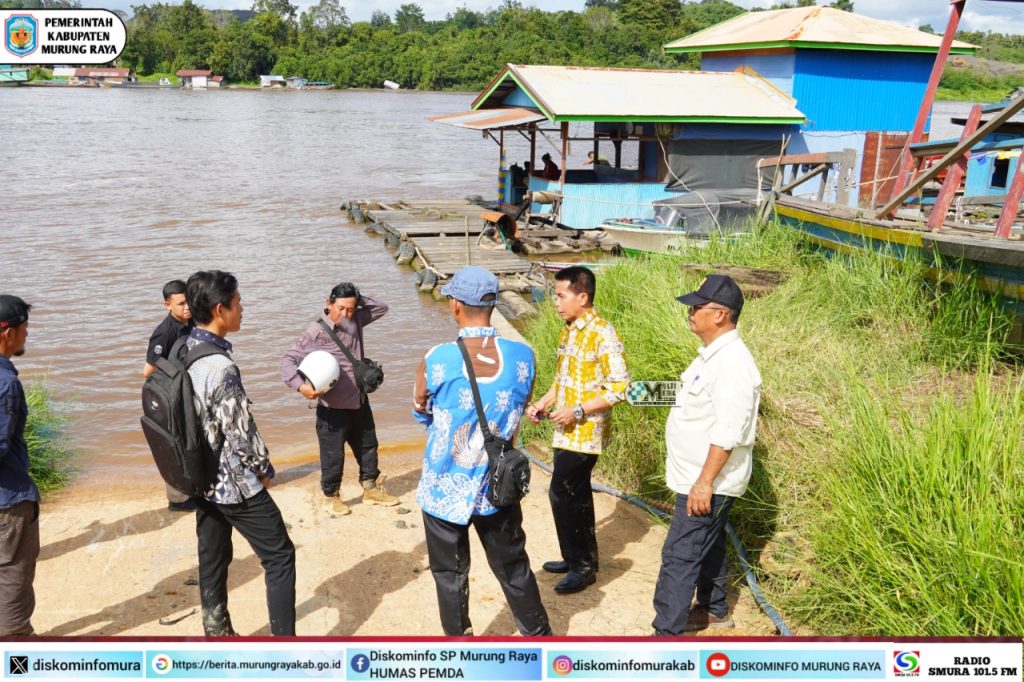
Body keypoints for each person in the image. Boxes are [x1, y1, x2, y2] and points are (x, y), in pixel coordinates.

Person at [413, 266, 551, 637]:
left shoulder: (437, 358)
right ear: (492, 305)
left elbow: (421, 411)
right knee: (513, 565)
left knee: (449, 574)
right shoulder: (524, 356)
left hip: (445, 486)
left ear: (456, 305)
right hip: (499, 484)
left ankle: (461, 645)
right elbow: (518, 412)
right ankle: (538, 635)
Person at [185, 270, 296, 636]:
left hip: (198, 476)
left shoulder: (184, 348)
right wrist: (264, 469)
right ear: (220, 310)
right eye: (238, 303)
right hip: (232, 483)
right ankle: (286, 646)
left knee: (213, 556)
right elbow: (241, 432)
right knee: (280, 556)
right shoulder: (221, 366)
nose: (242, 309)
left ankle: (216, 630)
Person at [651, 274, 761, 636]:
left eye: (698, 307)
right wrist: (631, 392)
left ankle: (665, 634)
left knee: (679, 556)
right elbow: (686, 398)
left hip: (706, 479)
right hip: (696, 477)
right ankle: (715, 610)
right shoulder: (711, 358)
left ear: (720, 315)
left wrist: (704, 482)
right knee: (707, 544)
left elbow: (728, 431)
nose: (691, 312)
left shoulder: (732, 365)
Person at [526, 266, 629, 595]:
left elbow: (620, 388)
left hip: (586, 430)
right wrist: (543, 402)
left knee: (562, 492)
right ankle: (577, 559)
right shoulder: (569, 329)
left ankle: (583, 566)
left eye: (561, 296)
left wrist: (578, 410)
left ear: (582, 297)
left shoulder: (602, 332)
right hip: (566, 428)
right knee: (575, 493)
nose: (556, 302)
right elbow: (563, 379)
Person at [279, 283, 398, 517]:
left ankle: (371, 490)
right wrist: (301, 387)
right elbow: (286, 361)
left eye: (351, 309)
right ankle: (331, 497)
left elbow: (382, 307)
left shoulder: (356, 320)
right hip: (332, 408)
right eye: (341, 308)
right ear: (329, 303)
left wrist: (357, 299)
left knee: (368, 447)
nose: (346, 314)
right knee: (333, 455)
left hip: (359, 401)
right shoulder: (316, 332)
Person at [0, 295, 40, 637]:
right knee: (14, 571)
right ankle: (16, 643)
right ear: (7, 334)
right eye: (24, 329)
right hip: (7, 500)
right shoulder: (6, 384)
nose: (26, 336)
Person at [143, 279, 196, 512]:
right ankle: (177, 500)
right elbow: (149, 370)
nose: (187, 307)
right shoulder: (164, 333)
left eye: (189, 302)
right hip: (170, 396)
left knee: (191, 442)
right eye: (181, 303)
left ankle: (194, 489)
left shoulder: (192, 323)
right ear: (167, 305)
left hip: (187, 392)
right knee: (173, 444)